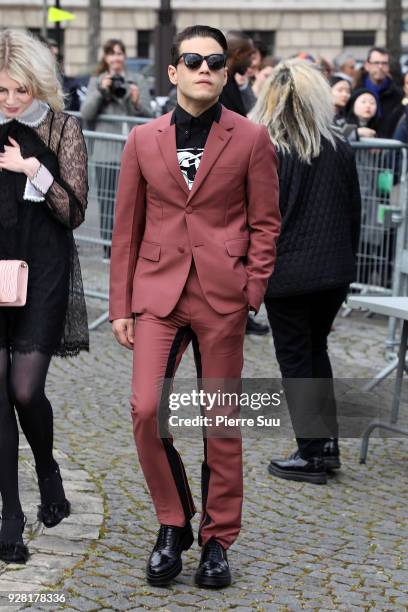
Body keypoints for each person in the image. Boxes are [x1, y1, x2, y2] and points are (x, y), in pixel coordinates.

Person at [109, 24, 280, 587]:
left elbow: (265, 224)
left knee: (220, 421)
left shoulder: (251, 139)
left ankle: (216, 540)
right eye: (193, 59)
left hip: (222, 296)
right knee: (143, 409)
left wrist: (251, 291)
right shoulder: (141, 139)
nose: (204, 68)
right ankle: (172, 521)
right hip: (157, 295)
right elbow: (126, 230)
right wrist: (121, 307)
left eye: (215, 61)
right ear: (174, 70)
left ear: (226, 73)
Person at [250, 59, 361, 484]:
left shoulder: (268, 148)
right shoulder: (338, 146)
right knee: (316, 352)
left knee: (297, 357)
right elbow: (354, 211)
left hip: (290, 272)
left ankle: (313, 451)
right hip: (332, 271)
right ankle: (325, 443)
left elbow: (260, 216)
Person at [0, 30, 88, 563]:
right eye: (1, 91)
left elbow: (74, 211)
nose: (10, 102)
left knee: (26, 390)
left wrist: (33, 169)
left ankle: (47, 469)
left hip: (44, 273)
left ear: (40, 85)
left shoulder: (61, 129)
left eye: (20, 91)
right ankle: (11, 512)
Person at [81, 39, 153, 259]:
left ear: (125, 56)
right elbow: (86, 113)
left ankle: (132, 247)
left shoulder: (137, 79)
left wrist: (137, 101)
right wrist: (102, 92)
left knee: (134, 201)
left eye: (120, 53)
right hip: (106, 152)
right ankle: (107, 249)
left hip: (134, 151)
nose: (116, 58)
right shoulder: (98, 80)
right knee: (107, 202)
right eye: (111, 54)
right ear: (105, 58)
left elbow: (149, 115)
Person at [220, 30, 270, 336]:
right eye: (249, 56)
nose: (253, 62)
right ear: (236, 56)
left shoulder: (234, 85)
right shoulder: (222, 85)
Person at [353, 46, 402, 138]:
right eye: (376, 63)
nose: (380, 67)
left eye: (384, 63)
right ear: (367, 65)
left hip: (389, 147)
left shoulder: (398, 95)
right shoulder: (355, 92)